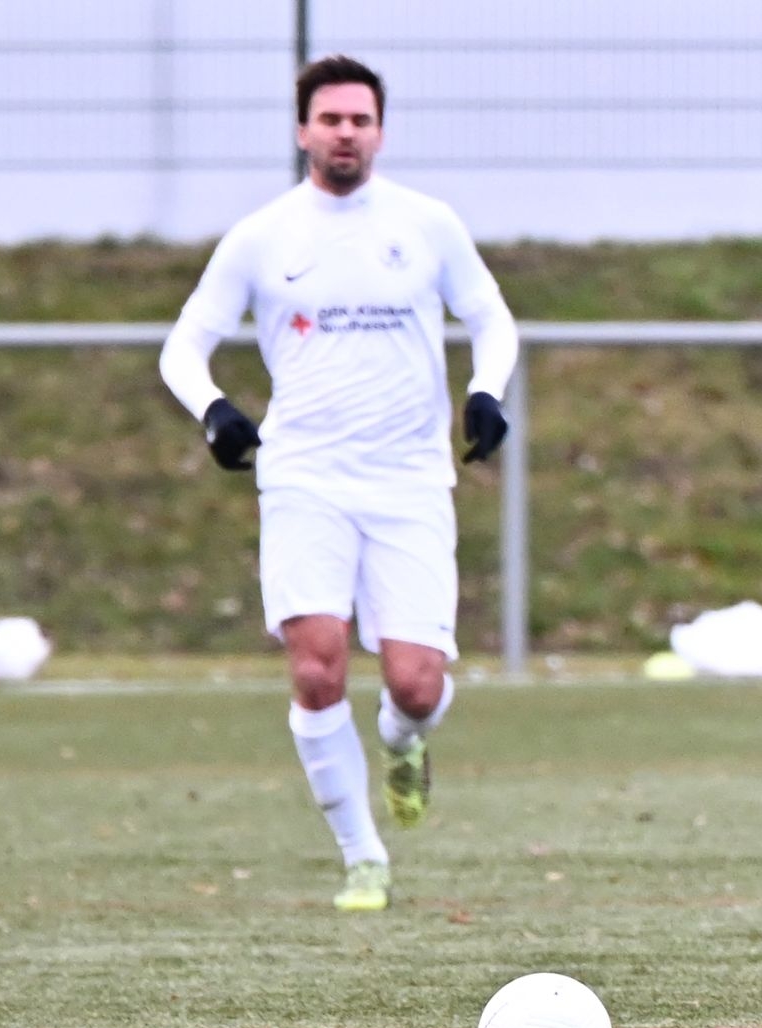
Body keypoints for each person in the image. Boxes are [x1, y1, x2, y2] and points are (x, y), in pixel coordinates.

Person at [159, 55, 518, 912]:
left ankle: (404, 743)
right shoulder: (261, 236)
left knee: (415, 686)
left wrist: (484, 393)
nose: (345, 132)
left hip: (408, 480)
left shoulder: (425, 224)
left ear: (380, 130)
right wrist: (216, 411)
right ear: (302, 130)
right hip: (305, 477)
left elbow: (491, 318)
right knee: (317, 673)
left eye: (360, 119)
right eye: (330, 119)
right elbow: (182, 348)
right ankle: (364, 858)